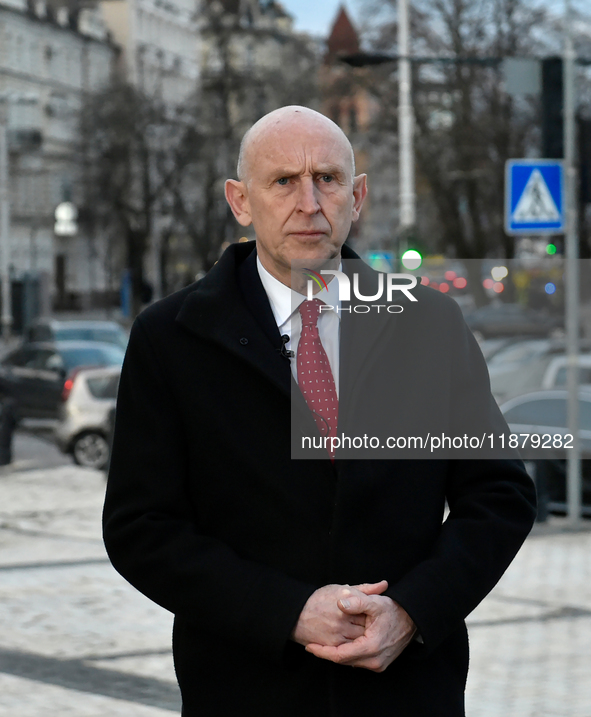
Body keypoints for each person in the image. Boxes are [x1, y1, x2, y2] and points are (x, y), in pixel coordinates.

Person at [103, 106, 536, 716]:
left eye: (328, 179)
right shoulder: (170, 338)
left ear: (356, 196)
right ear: (240, 201)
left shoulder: (428, 324)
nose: (309, 202)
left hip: (408, 693)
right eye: (283, 181)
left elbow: (499, 494)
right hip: (246, 691)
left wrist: (412, 610)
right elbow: (140, 528)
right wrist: (285, 612)